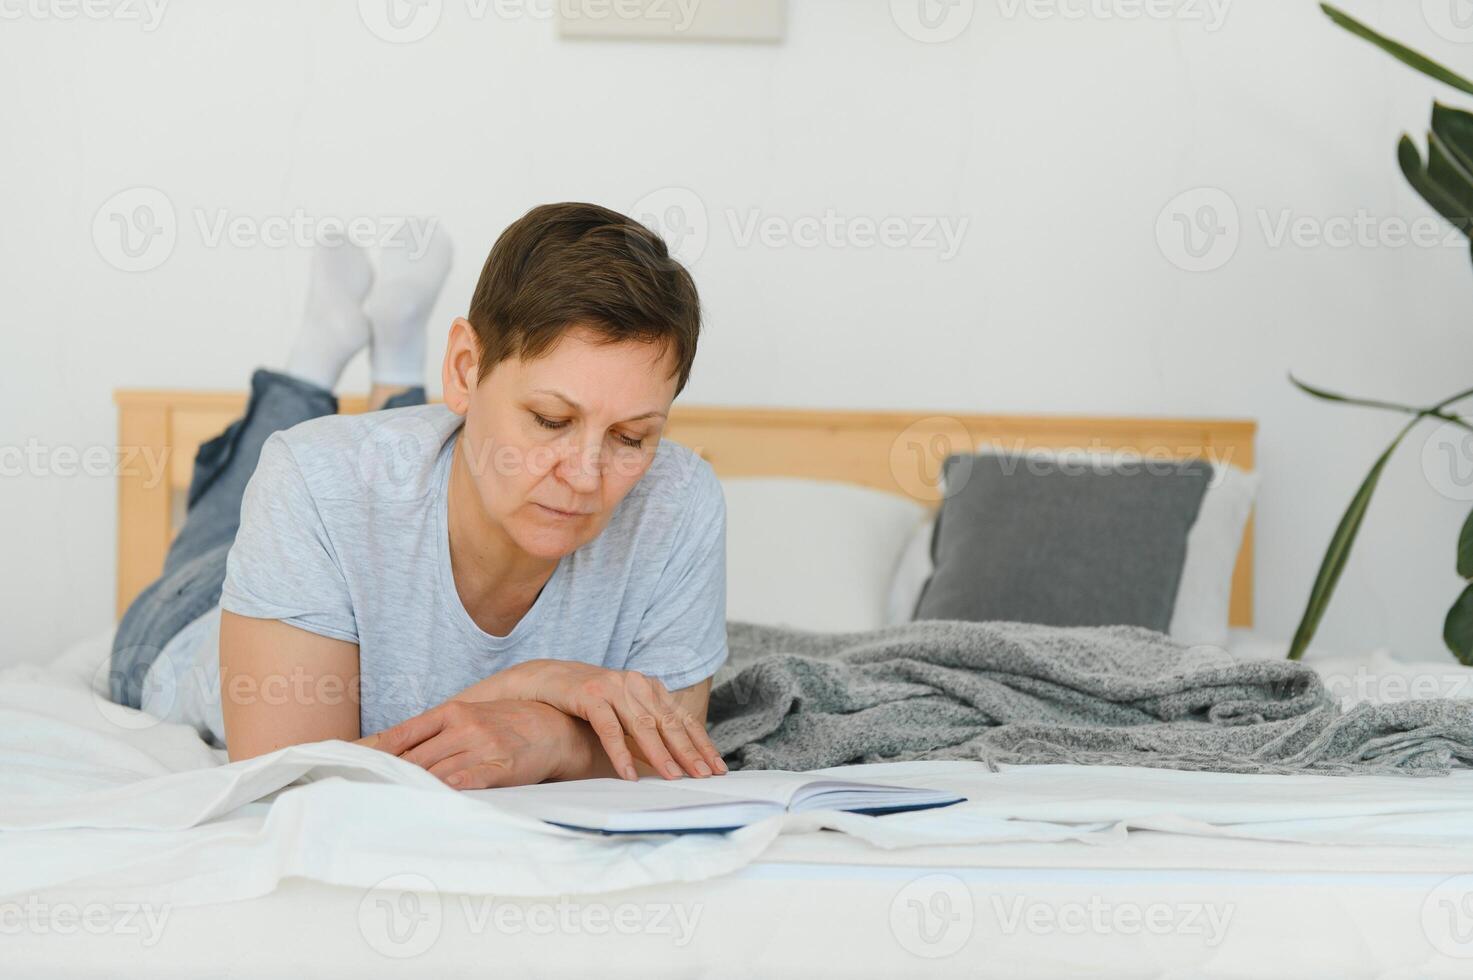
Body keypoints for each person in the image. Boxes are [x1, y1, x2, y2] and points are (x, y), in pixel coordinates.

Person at [109, 203, 730, 790]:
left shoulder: (678, 499)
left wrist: (553, 736)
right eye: (549, 420)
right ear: (464, 369)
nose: (587, 477)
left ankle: (391, 356)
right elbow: (292, 780)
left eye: (630, 437)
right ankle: (314, 358)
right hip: (194, 612)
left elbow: (672, 747)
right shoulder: (311, 478)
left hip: (366, 518)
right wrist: (529, 685)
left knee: (402, 454)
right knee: (284, 468)